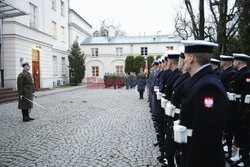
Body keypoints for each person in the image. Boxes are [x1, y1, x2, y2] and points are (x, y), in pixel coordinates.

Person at [176, 40, 228, 167]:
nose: (184, 61)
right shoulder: (197, 80)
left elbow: (206, 138)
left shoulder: (208, 86)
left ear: (192, 58)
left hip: (201, 159)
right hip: (189, 150)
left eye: (186, 57)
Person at [230, 53, 250, 167]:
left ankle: (244, 158)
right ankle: (241, 155)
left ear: (238, 62)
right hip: (237, 107)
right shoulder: (240, 73)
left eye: (234, 61)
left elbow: (246, 94)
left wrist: (245, 111)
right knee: (238, 133)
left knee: (243, 134)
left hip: (243, 108)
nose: (233, 63)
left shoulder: (246, 73)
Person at [218, 55, 236, 160]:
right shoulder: (225, 72)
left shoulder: (231, 73)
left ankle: (229, 151)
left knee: (228, 130)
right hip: (223, 103)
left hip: (228, 105)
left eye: (222, 60)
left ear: (224, 62)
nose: (220, 62)